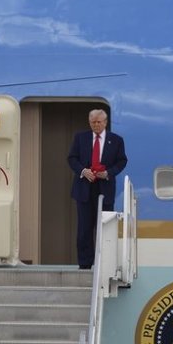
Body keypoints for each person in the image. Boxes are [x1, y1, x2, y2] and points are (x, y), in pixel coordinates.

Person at [67, 108, 128, 269]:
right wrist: (83, 171)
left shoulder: (116, 140)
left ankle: (105, 263)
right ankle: (85, 264)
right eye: (93, 122)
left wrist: (108, 173)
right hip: (84, 189)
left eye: (99, 122)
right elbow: (72, 158)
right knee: (84, 229)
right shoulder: (81, 138)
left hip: (105, 188)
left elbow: (121, 161)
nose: (96, 125)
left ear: (105, 122)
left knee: (105, 227)